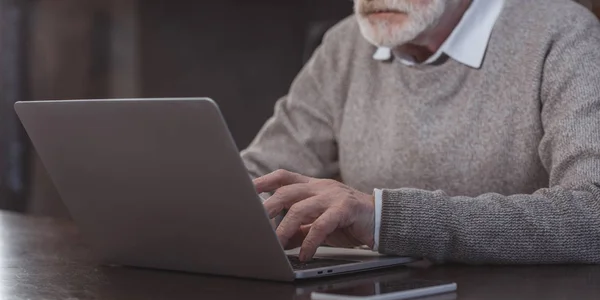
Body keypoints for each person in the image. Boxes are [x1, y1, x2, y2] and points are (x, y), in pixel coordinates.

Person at [241, 0, 600, 264]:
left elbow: (592, 215)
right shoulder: (345, 44)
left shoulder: (563, 33)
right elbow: (253, 179)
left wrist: (385, 217)